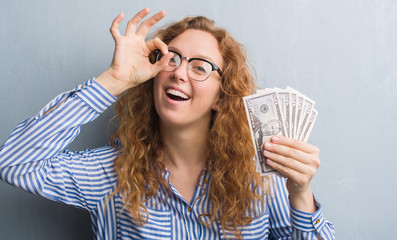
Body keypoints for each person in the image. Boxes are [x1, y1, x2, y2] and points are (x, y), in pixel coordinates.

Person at [0, 8, 335, 239]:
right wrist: (114, 80)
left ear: (222, 95)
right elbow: (14, 164)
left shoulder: (261, 176)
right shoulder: (110, 173)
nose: (178, 71)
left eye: (200, 67)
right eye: (171, 59)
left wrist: (301, 193)